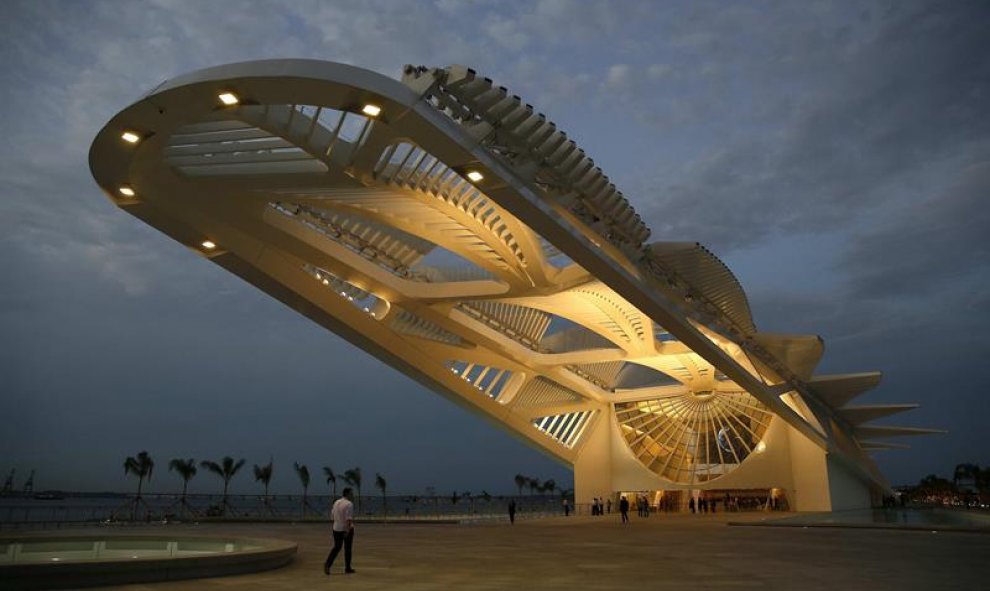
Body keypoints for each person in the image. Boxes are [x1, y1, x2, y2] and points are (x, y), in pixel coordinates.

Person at [324, 488, 356, 575]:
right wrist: (347, 531)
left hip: (336, 528)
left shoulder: (336, 502)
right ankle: (347, 568)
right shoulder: (349, 504)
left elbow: (332, 516)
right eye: (351, 493)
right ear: (347, 494)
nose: (353, 495)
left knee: (337, 547)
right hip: (345, 528)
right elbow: (348, 519)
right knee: (348, 549)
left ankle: (327, 564)